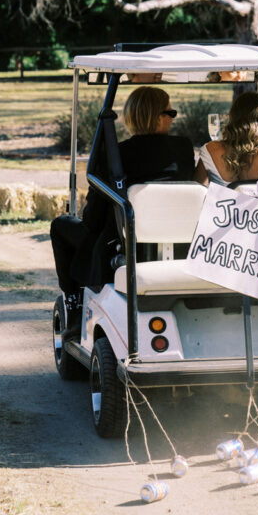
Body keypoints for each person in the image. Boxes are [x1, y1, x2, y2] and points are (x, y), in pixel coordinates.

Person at [51, 86, 195, 336]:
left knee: (61, 225)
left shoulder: (115, 153)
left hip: (120, 240)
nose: (172, 118)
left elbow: (93, 220)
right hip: (178, 238)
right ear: (158, 117)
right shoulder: (183, 149)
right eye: (170, 112)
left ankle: (73, 304)